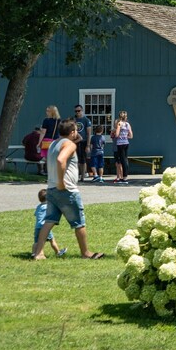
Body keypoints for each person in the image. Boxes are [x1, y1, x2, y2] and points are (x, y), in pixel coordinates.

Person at [32, 119, 104, 260]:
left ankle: (39, 253)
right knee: (79, 222)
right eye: (76, 130)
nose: (77, 133)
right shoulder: (69, 144)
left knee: (49, 221)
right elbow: (61, 160)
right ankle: (86, 253)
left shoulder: (53, 144)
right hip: (66, 190)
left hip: (51, 189)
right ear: (72, 132)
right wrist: (61, 182)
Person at [33, 188, 66, 258]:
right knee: (52, 240)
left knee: (36, 242)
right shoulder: (49, 207)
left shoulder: (38, 207)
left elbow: (36, 214)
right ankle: (58, 252)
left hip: (37, 227)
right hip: (45, 226)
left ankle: (33, 253)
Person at [111, 110, 133, 184]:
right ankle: (125, 176)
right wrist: (125, 136)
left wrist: (117, 133)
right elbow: (131, 135)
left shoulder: (119, 124)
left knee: (122, 160)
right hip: (126, 143)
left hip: (120, 144)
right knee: (125, 159)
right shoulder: (127, 124)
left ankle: (124, 177)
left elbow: (116, 135)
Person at [73, 104, 92, 182]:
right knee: (75, 159)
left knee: (83, 160)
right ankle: (76, 175)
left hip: (83, 141)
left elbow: (88, 133)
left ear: (82, 110)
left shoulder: (86, 120)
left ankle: (83, 176)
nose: (77, 112)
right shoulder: (74, 120)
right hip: (75, 141)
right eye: (76, 111)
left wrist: (88, 145)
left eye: (79, 111)